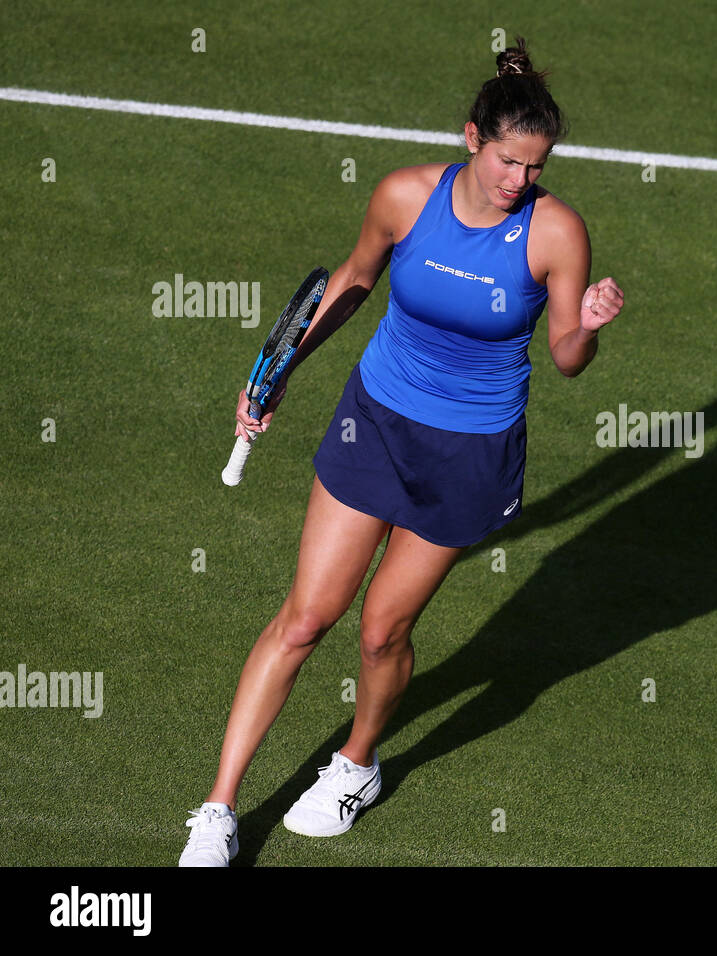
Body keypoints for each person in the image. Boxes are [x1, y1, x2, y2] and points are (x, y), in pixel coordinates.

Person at [179, 37, 625, 866]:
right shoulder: (403, 196)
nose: (519, 181)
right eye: (508, 161)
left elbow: (565, 356)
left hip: (472, 450)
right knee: (307, 617)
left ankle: (358, 763)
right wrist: (279, 373)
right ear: (471, 138)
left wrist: (588, 328)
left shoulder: (557, 232)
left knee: (383, 631)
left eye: (535, 166)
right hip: (373, 423)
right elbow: (350, 283)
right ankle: (217, 808)